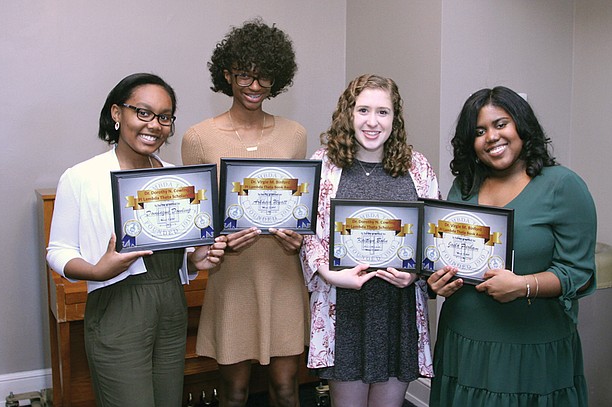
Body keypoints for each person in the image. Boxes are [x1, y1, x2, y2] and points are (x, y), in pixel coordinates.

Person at [46, 73, 227, 407]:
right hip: (118, 306)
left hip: (172, 306)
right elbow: (58, 251)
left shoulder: (177, 176)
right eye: (142, 112)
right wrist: (97, 270)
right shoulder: (82, 177)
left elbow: (174, 251)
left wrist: (193, 261)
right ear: (117, 113)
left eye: (164, 117)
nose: (154, 124)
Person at [428, 86, 597, 406]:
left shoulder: (563, 185)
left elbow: (581, 274)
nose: (491, 136)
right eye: (479, 131)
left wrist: (524, 285)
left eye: (501, 124)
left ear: (522, 125)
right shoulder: (464, 187)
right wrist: (438, 281)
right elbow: (448, 253)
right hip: (464, 343)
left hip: (531, 350)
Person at [181, 19, 308, 407]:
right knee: (233, 393)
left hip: (283, 273)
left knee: (287, 389)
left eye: (264, 77)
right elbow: (195, 220)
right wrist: (218, 238)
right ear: (226, 75)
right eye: (244, 76)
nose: (254, 87)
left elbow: (299, 204)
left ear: (277, 79)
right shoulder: (198, 138)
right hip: (232, 276)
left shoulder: (296, 134)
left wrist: (299, 236)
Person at [299, 74, 439, 407]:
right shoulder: (323, 164)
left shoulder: (417, 168)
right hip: (344, 310)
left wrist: (416, 272)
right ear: (348, 113)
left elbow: (432, 238)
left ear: (395, 118)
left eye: (383, 112)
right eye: (363, 110)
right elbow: (305, 231)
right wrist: (329, 274)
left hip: (398, 312)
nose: (372, 122)